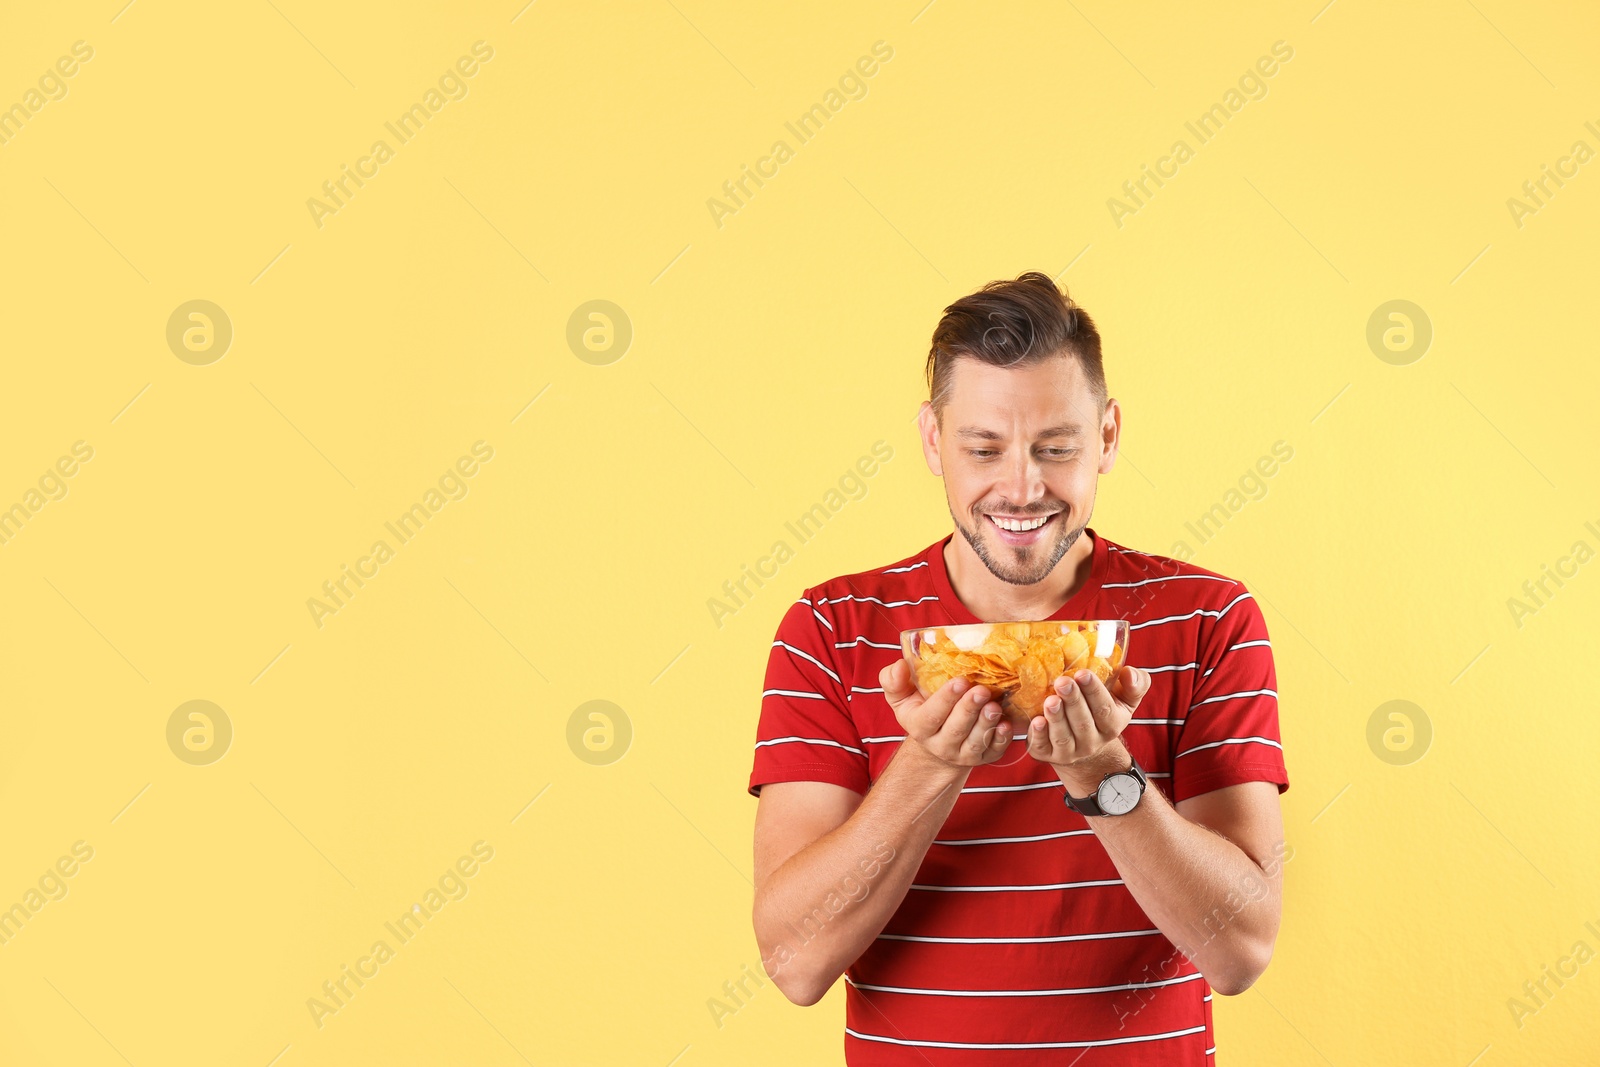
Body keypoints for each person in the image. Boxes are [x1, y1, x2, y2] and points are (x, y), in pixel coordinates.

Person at [747, 271, 1291, 1064]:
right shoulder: (830, 630)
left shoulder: (1210, 619)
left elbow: (1241, 949)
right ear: (934, 441)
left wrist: (1105, 774)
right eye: (984, 448)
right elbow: (794, 963)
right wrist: (929, 764)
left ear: (1106, 436)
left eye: (1056, 447)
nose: (1023, 486)